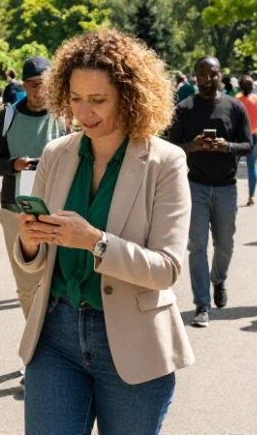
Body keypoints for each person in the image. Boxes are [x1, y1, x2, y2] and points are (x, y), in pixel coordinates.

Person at [12, 28, 193, 434]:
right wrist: (28, 242)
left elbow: (166, 269)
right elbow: (32, 264)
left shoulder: (165, 162)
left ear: (129, 96)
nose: (84, 113)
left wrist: (95, 242)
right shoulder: (57, 154)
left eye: (98, 100)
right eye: (75, 99)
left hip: (132, 342)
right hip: (55, 335)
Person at [166, 56, 252, 326]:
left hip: (226, 186)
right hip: (195, 186)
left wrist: (226, 146)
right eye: (202, 74)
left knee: (225, 244)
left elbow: (248, 146)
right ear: (195, 77)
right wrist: (194, 146)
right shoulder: (185, 108)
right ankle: (202, 304)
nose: (208, 79)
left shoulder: (234, 106)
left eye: (213, 74)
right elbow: (170, 148)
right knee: (197, 247)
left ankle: (219, 280)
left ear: (221, 75)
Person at [0, 56, 68, 314]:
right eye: (32, 84)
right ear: (23, 85)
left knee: (56, 279)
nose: (38, 90)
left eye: (43, 84)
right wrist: (13, 165)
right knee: (27, 283)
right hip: (15, 210)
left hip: (56, 207)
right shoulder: (8, 117)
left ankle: (56, 338)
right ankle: (37, 345)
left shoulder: (63, 117)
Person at [237, 76, 257, 206]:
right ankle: (251, 196)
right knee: (252, 166)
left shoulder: (236, 100)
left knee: (233, 166)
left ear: (240, 86)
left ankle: (231, 194)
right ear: (253, 87)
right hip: (255, 134)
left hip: (239, 136)